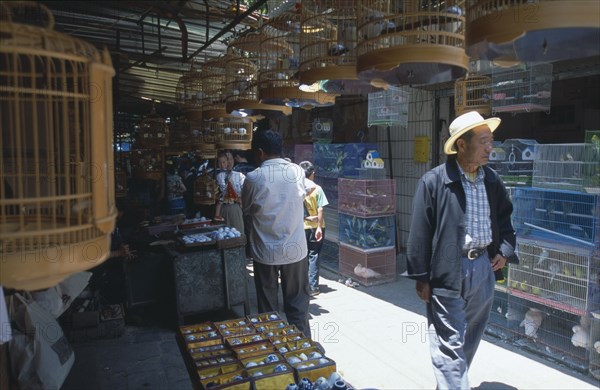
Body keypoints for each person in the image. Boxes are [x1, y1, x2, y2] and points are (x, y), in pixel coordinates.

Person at [406, 111, 518, 390]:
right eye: (483, 142)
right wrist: (422, 276)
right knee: (449, 342)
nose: (490, 148)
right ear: (462, 145)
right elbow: (420, 231)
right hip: (447, 270)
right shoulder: (434, 181)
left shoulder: (492, 180)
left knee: (469, 337)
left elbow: (505, 220)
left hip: (483, 267)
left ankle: (452, 382)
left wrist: (504, 250)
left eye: (491, 141)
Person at [242, 129, 311, 337]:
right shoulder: (298, 172)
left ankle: (274, 355)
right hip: (295, 249)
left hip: (265, 252)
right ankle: (305, 353)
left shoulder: (253, 177)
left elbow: (246, 210)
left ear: (260, 152)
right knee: (298, 305)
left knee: (267, 311)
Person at [299, 161, 329, 297]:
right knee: (314, 255)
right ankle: (313, 287)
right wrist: (318, 227)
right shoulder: (317, 188)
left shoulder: (298, 189)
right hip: (317, 226)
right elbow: (321, 208)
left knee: (303, 256)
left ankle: (303, 284)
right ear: (313, 174)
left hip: (302, 227)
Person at [214, 151, 245, 233]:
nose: (227, 163)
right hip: (224, 208)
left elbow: (244, 193)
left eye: (229, 159)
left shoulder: (239, 175)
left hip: (236, 207)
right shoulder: (218, 176)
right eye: (220, 162)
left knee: (238, 233)